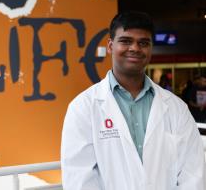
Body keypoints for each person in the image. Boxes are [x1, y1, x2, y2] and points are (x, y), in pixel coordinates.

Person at [61, 11, 205, 190]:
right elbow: (79, 179)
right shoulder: (83, 107)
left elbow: (193, 172)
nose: (135, 48)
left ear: (151, 49)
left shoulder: (176, 108)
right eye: (126, 41)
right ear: (110, 46)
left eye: (143, 43)